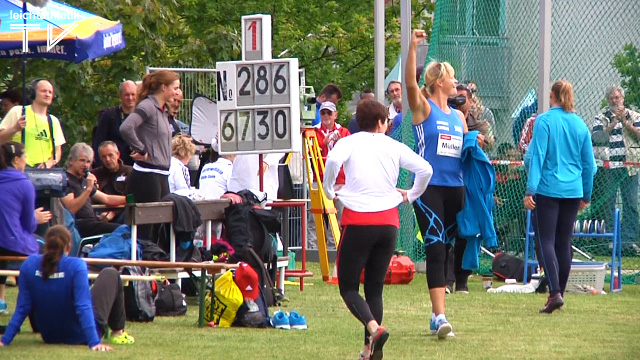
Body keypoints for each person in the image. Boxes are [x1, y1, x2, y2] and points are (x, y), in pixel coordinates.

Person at [323, 99, 433, 360]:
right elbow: (425, 169)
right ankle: (368, 351)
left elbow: (332, 164)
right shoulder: (394, 145)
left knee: (348, 287)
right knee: (374, 289)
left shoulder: (348, 142)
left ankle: (374, 329)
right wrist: (411, 195)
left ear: (358, 123)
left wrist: (330, 192)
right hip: (388, 223)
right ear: (383, 122)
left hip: (358, 221)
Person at [406, 29, 484, 339]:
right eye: (452, 78)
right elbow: (412, 83)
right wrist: (413, 47)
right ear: (440, 81)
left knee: (448, 248)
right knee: (435, 248)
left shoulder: (458, 116)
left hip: (456, 190)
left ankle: (436, 313)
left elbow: (466, 151)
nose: (456, 83)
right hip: (429, 188)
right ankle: (439, 316)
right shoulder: (424, 108)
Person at [524, 80, 597, 313]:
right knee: (564, 242)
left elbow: (537, 157)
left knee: (546, 240)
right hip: (573, 191)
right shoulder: (580, 124)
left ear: (552, 96)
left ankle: (554, 292)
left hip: (548, 189)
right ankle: (559, 293)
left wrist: (530, 190)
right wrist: (586, 193)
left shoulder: (544, 121)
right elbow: (590, 165)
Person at [0, 225, 134, 350]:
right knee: (111, 273)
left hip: (49, 336)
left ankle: (113, 332)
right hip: (80, 335)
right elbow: (83, 306)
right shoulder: (76, 265)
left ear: (46, 245)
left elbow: (22, 308)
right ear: (69, 247)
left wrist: (5, 340)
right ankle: (118, 332)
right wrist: (94, 343)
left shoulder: (29, 264)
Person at [120, 70, 181, 239]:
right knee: (147, 230)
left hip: (161, 175)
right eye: (175, 88)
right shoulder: (147, 106)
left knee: (160, 229)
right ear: (164, 87)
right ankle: (140, 262)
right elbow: (126, 127)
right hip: (148, 176)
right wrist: (141, 149)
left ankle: (156, 261)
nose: (177, 92)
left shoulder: (163, 110)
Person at [0, 141, 51, 314]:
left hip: (4, 241)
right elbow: (28, 226)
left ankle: (1, 300)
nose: (26, 162)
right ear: (16, 160)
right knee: (45, 247)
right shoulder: (24, 184)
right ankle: (36, 306)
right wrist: (36, 217)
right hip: (13, 242)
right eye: (25, 157)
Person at [592, 84, 640, 248]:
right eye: (611, 98)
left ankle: (629, 240)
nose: (614, 101)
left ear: (623, 98)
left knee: (631, 203)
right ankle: (608, 239)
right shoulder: (601, 117)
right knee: (607, 203)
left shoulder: (634, 115)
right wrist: (613, 123)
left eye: (617, 98)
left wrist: (626, 123)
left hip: (630, 166)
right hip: (608, 167)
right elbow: (597, 138)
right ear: (607, 100)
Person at [308, 101, 351, 250]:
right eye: (323, 113)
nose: (326, 116)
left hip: (340, 181)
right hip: (318, 180)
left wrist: (340, 143)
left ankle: (336, 247)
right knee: (315, 217)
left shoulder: (344, 132)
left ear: (335, 115)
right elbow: (309, 153)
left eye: (329, 113)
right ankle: (313, 248)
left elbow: (350, 154)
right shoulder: (313, 131)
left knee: (339, 216)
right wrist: (323, 144)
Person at [60, 143, 125, 238]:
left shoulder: (83, 180)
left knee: (126, 229)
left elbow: (106, 198)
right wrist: (88, 189)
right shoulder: (65, 180)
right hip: (79, 224)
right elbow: (71, 208)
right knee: (122, 230)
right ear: (71, 161)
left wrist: (131, 198)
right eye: (82, 161)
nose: (85, 165)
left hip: (93, 221)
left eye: (88, 162)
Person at [0, 79, 66, 169]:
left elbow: (57, 152)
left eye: (50, 92)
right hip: (18, 170)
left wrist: (48, 163)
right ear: (33, 93)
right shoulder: (18, 112)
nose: (47, 94)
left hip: (44, 175)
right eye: (43, 91)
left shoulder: (53, 121)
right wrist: (15, 128)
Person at [91, 80, 137, 167]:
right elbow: (98, 143)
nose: (130, 98)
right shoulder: (109, 115)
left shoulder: (143, 116)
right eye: (127, 95)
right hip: (113, 167)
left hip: (137, 167)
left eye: (133, 94)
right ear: (120, 95)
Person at [91, 141, 133, 223]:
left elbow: (133, 198)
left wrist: (114, 213)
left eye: (110, 155)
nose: (107, 159)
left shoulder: (130, 172)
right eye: (103, 157)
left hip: (123, 211)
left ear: (118, 154)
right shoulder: (94, 175)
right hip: (99, 212)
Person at [454, 83, 494, 149]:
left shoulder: (480, 125)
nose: (457, 101)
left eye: (461, 98)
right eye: (454, 98)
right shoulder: (446, 121)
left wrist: (477, 140)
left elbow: (489, 145)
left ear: (471, 102)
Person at [198, 136, 236, 200]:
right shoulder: (230, 169)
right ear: (231, 154)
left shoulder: (206, 167)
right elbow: (235, 192)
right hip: (220, 207)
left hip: (202, 205)